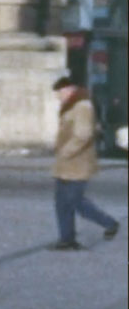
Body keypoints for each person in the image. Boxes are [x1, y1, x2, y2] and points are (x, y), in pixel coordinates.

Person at [49, 77, 119, 250]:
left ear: (69, 89)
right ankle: (66, 239)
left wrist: (66, 151)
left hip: (77, 163)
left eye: (60, 93)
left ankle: (109, 223)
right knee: (62, 203)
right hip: (66, 164)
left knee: (75, 201)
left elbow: (83, 134)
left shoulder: (82, 106)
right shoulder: (72, 105)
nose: (59, 97)